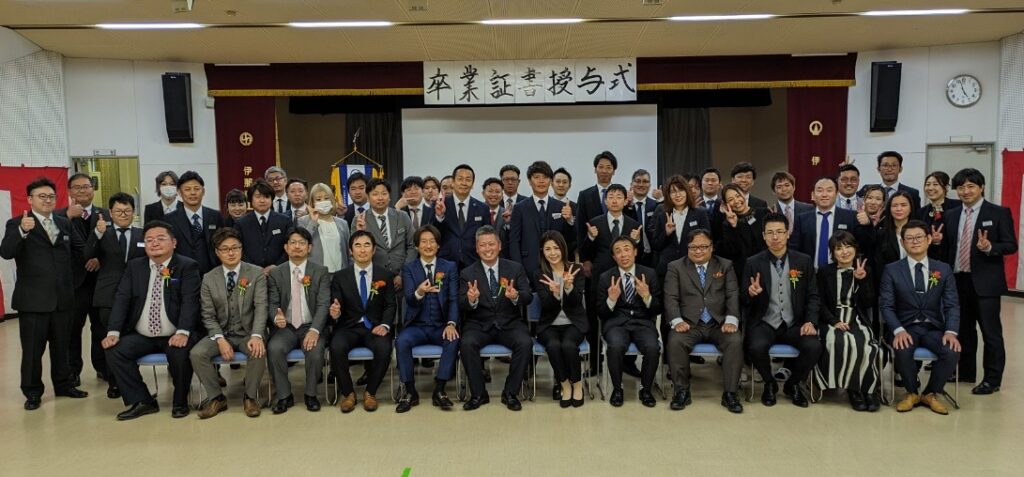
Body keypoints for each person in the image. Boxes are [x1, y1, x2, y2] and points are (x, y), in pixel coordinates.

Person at [1, 178, 88, 410]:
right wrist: (22, 231)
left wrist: (99, 237)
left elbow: (80, 251)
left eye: (51, 196)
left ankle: (64, 385)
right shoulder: (17, 223)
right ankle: (32, 392)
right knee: (32, 351)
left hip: (63, 299)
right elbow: (6, 252)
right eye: (42, 196)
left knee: (62, 347)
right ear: (30, 199)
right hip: (33, 301)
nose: (47, 200)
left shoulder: (64, 223)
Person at [102, 220, 201, 420]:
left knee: (180, 353)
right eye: (149, 240)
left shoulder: (187, 266)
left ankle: (180, 401)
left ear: (174, 243)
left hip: (175, 332)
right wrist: (113, 332)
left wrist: (183, 331)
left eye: (160, 238)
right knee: (114, 350)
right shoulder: (135, 267)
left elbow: (190, 302)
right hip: (143, 334)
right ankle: (142, 401)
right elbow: (122, 299)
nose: (154, 243)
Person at [934, 168, 1016, 394]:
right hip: (958, 281)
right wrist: (938, 242)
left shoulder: (998, 212)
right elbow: (947, 250)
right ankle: (966, 372)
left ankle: (992, 379)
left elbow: (1010, 245)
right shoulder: (951, 215)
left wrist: (990, 247)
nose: (965, 191)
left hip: (986, 284)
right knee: (963, 330)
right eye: (961, 187)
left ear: (982, 188)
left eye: (971, 186)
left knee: (991, 333)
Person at [880, 220, 960, 414]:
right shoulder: (892, 270)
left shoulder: (942, 269)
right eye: (909, 238)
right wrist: (898, 330)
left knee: (951, 350)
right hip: (905, 326)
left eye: (919, 237)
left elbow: (951, 304)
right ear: (902, 242)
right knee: (903, 347)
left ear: (929, 239)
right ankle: (911, 393)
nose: (914, 241)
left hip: (933, 327)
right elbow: (887, 306)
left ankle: (931, 393)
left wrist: (951, 332)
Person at [742, 212, 821, 408]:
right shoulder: (753, 262)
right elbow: (742, 298)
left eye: (779, 232)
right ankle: (769, 383)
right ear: (763, 236)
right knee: (755, 347)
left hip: (794, 322)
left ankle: (793, 384)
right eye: (770, 233)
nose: (775, 237)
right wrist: (751, 293)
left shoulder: (803, 261)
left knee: (814, 347)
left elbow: (813, 295)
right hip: (765, 321)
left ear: (788, 233)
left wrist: (810, 322)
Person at [190, 228, 268, 419]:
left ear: (242, 249)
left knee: (257, 350)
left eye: (235, 247)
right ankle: (216, 398)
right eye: (225, 249)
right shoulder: (209, 278)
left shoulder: (256, 273)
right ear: (217, 252)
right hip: (221, 332)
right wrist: (220, 339)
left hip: (248, 332)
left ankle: (250, 397)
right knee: (197, 353)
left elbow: (261, 307)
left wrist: (257, 335)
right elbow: (208, 315)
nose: (231, 253)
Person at [664, 229, 744, 413]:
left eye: (703, 247)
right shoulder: (675, 267)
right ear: (687, 248)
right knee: (675, 341)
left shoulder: (725, 265)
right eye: (693, 247)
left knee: (735, 341)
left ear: (712, 247)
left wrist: (731, 320)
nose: (698, 251)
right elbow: (671, 297)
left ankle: (730, 393)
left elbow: (732, 294)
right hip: (690, 323)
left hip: (719, 323)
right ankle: (681, 391)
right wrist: (677, 321)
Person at [457, 226, 533, 411]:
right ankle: (478, 394)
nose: (487, 248)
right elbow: (461, 303)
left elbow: (528, 296)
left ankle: (510, 392)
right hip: (479, 324)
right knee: (467, 344)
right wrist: (471, 299)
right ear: (477, 248)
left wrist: (515, 296)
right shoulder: (467, 273)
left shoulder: (515, 268)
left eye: (491, 244)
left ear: (499, 246)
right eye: (482, 245)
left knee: (525, 342)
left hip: (510, 322)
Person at [83, 192, 147, 399]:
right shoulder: (103, 232)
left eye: (127, 211)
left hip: (136, 296)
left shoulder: (142, 234)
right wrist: (97, 233)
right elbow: (86, 255)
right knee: (110, 339)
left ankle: (132, 379)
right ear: (110, 212)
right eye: (119, 211)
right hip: (107, 296)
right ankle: (114, 382)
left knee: (130, 340)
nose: (123, 214)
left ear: (133, 212)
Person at [813, 231, 884, 412]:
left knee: (866, 346)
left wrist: (862, 280)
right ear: (832, 253)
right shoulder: (824, 272)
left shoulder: (865, 269)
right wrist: (833, 321)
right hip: (832, 318)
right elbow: (819, 302)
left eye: (848, 246)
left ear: (855, 248)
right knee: (837, 342)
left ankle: (868, 389)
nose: (844, 252)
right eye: (838, 248)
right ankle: (853, 390)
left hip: (857, 317)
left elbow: (869, 302)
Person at [328, 231, 397, 413]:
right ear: (351, 251)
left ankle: (370, 392)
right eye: (357, 245)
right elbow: (335, 304)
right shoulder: (340, 277)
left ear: (374, 250)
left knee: (384, 348)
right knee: (336, 347)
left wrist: (385, 325)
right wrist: (335, 313)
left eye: (367, 245)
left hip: (375, 327)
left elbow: (390, 305)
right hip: (348, 326)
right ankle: (348, 393)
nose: (362, 250)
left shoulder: (385, 275)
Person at [395, 225, 460, 413]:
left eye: (432, 241)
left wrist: (451, 323)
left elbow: (454, 299)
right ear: (417, 246)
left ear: (438, 245)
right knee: (402, 341)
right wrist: (419, 292)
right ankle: (410, 391)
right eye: (423, 241)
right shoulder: (409, 268)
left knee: (453, 339)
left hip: (441, 325)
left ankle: (440, 389)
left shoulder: (449, 267)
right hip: (417, 325)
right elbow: (409, 299)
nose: (428, 245)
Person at [266, 227, 331, 413]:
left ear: (309, 248)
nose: (297, 247)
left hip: (311, 325)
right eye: (293, 243)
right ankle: (284, 395)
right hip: (286, 327)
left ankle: (311, 394)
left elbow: (323, 304)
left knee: (315, 350)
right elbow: (272, 303)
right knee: (274, 348)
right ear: (286, 247)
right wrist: (276, 316)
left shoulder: (320, 271)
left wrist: (315, 330)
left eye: (302, 243)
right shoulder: (276, 273)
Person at [580, 183, 642, 372]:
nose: (615, 200)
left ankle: (628, 363)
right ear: (605, 201)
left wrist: (637, 241)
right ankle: (595, 363)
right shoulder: (594, 222)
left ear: (625, 201)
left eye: (619, 197)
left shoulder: (633, 224)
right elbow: (584, 252)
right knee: (594, 320)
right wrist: (590, 238)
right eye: (611, 197)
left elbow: (639, 255)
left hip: (627, 278)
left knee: (626, 316)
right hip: (599, 278)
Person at [55, 173, 109, 388]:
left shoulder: (106, 214)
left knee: (101, 327)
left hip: (100, 281)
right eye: (77, 187)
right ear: (69, 191)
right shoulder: (59, 216)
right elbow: (54, 245)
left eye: (86, 186)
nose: (82, 190)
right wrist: (68, 217)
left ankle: (103, 367)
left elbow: (115, 245)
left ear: (93, 189)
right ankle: (72, 371)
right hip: (73, 283)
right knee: (72, 329)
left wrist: (100, 259)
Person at [598, 236, 662, 408]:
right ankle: (617, 389)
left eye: (627, 249)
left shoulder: (649, 274)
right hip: (616, 324)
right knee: (615, 346)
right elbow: (600, 312)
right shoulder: (605, 277)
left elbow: (658, 308)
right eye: (618, 251)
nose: (623, 254)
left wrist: (647, 296)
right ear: (614, 257)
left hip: (643, 323)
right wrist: (611, 300)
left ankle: (645, 389)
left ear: (635, 252)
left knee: (652, 347)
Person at [533, 230, 587, 408]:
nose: (553, 253)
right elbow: (546, 306)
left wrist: (569, 287)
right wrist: (555, 294)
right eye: (548, 249)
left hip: (573, 323)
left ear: (563, 248)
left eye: (556, 248)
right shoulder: (540, 274)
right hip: (549, 324)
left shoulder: (576, 269)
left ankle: (577, 384)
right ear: (542, 252)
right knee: (554, 346)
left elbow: (577, 303)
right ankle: (565, 385)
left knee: (569, 345)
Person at [790, 177, 870, 269]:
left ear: (837, 194)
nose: (824, 194)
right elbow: (794, 248)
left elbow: (864, 244)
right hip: (810, 272)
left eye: (829, 190)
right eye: (820, 190)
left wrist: (867, 224)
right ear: (813, 195)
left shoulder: (851, 217)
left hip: (840, 272)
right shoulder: (802, 219)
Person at [510, 160, 575, 273]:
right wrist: (519, 270)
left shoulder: (561, 207)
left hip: (556, 265)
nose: (541, 181)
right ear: (529, 181)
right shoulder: (519, 208)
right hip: (528, 266)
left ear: (550, 181)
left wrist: (570, 220)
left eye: (545, 177)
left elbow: (569, 239)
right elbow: (514, 242)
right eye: (536, 177)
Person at [649, 175, 711, 277]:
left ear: (687, 192)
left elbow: (707, 241)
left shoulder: (700, 213)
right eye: (673, 192)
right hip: (667, 269)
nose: (678, 195)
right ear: (668, 195)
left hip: (692, 267)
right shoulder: (663, 214)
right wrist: (666, 233)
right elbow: (656, 245)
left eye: (681, 190)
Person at [357, 178, 416, 285]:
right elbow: (356, 251)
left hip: (402, 277)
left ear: (389, 197)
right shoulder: (360, 219)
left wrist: (403, 274)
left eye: (384, 193)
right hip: (373, 279)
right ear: (368, 198)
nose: (380, 198)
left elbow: (412, 245)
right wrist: (361, 232)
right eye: (375, 194)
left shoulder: (402, 216)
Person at [164, 170, 225, 275]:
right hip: (182, 274)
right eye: (187, 189)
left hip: (213, 274)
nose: (193, 193)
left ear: (203, 191)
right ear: (179, 192)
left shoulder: (216, 216)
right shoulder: (169, 220)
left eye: (196, 189)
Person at [433, 164, 491, 270]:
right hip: (445, 262)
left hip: (474, 262)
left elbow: (487, 236)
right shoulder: (440, 204)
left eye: (468, 179)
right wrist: (439, 216)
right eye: (460, 179)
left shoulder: (483, 208)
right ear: (453, 182)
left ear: (472, 184)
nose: (464, 183)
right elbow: (433, 233)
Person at [234, 180, 293, 270]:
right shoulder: (241, 223)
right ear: (250, 199)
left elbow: (290, 246)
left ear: (272, 199)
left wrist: (277, 266)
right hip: (250, 271)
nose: (262, 201)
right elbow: (238, 248)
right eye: (258, 197)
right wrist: (253, 268)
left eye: (266, 197)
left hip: (280, 270)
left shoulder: (285, 221)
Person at [714, 183, 767, 282]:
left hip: (766, 265)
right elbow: (733, 252)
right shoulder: (727, 224)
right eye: (731, 199)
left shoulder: (763, 213)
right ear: (726, 204)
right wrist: (734, 226)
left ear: (743, 195)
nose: (736, 201)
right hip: (744, 272)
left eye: (738, 196)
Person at [297, 182, 350, 273]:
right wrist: (313, 222)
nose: (323, 201)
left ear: (332, 200)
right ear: (313, 203)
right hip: (316, 274)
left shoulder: (342, 223)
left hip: (340, 273)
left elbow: (348, 251)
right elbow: (301, 243)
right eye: (318, 199)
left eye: (326, 198)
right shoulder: (303, 221)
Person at [917, 171, 961, 260]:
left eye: (935, 184)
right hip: (931, 260)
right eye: (927, 184)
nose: (930, 188)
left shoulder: (958, 206)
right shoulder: (921, 212)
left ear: (946, 187)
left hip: (954, 259)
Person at [626, 169, 658, 267]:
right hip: (629, 256)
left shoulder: (656, 205)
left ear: (650, 185)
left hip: (652, 257)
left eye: (645, 181)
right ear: (631, 184)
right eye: (638, 181)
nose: (641, 184)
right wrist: (626, 204)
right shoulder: (624, 206)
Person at [482, 177, 510, 257]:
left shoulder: (508, 214)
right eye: (490, 191)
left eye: (497, 192)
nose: (494, 195)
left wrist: (508, 223)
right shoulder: (475, 212)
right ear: (483, 193)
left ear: (502, 195)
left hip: (504, 259)